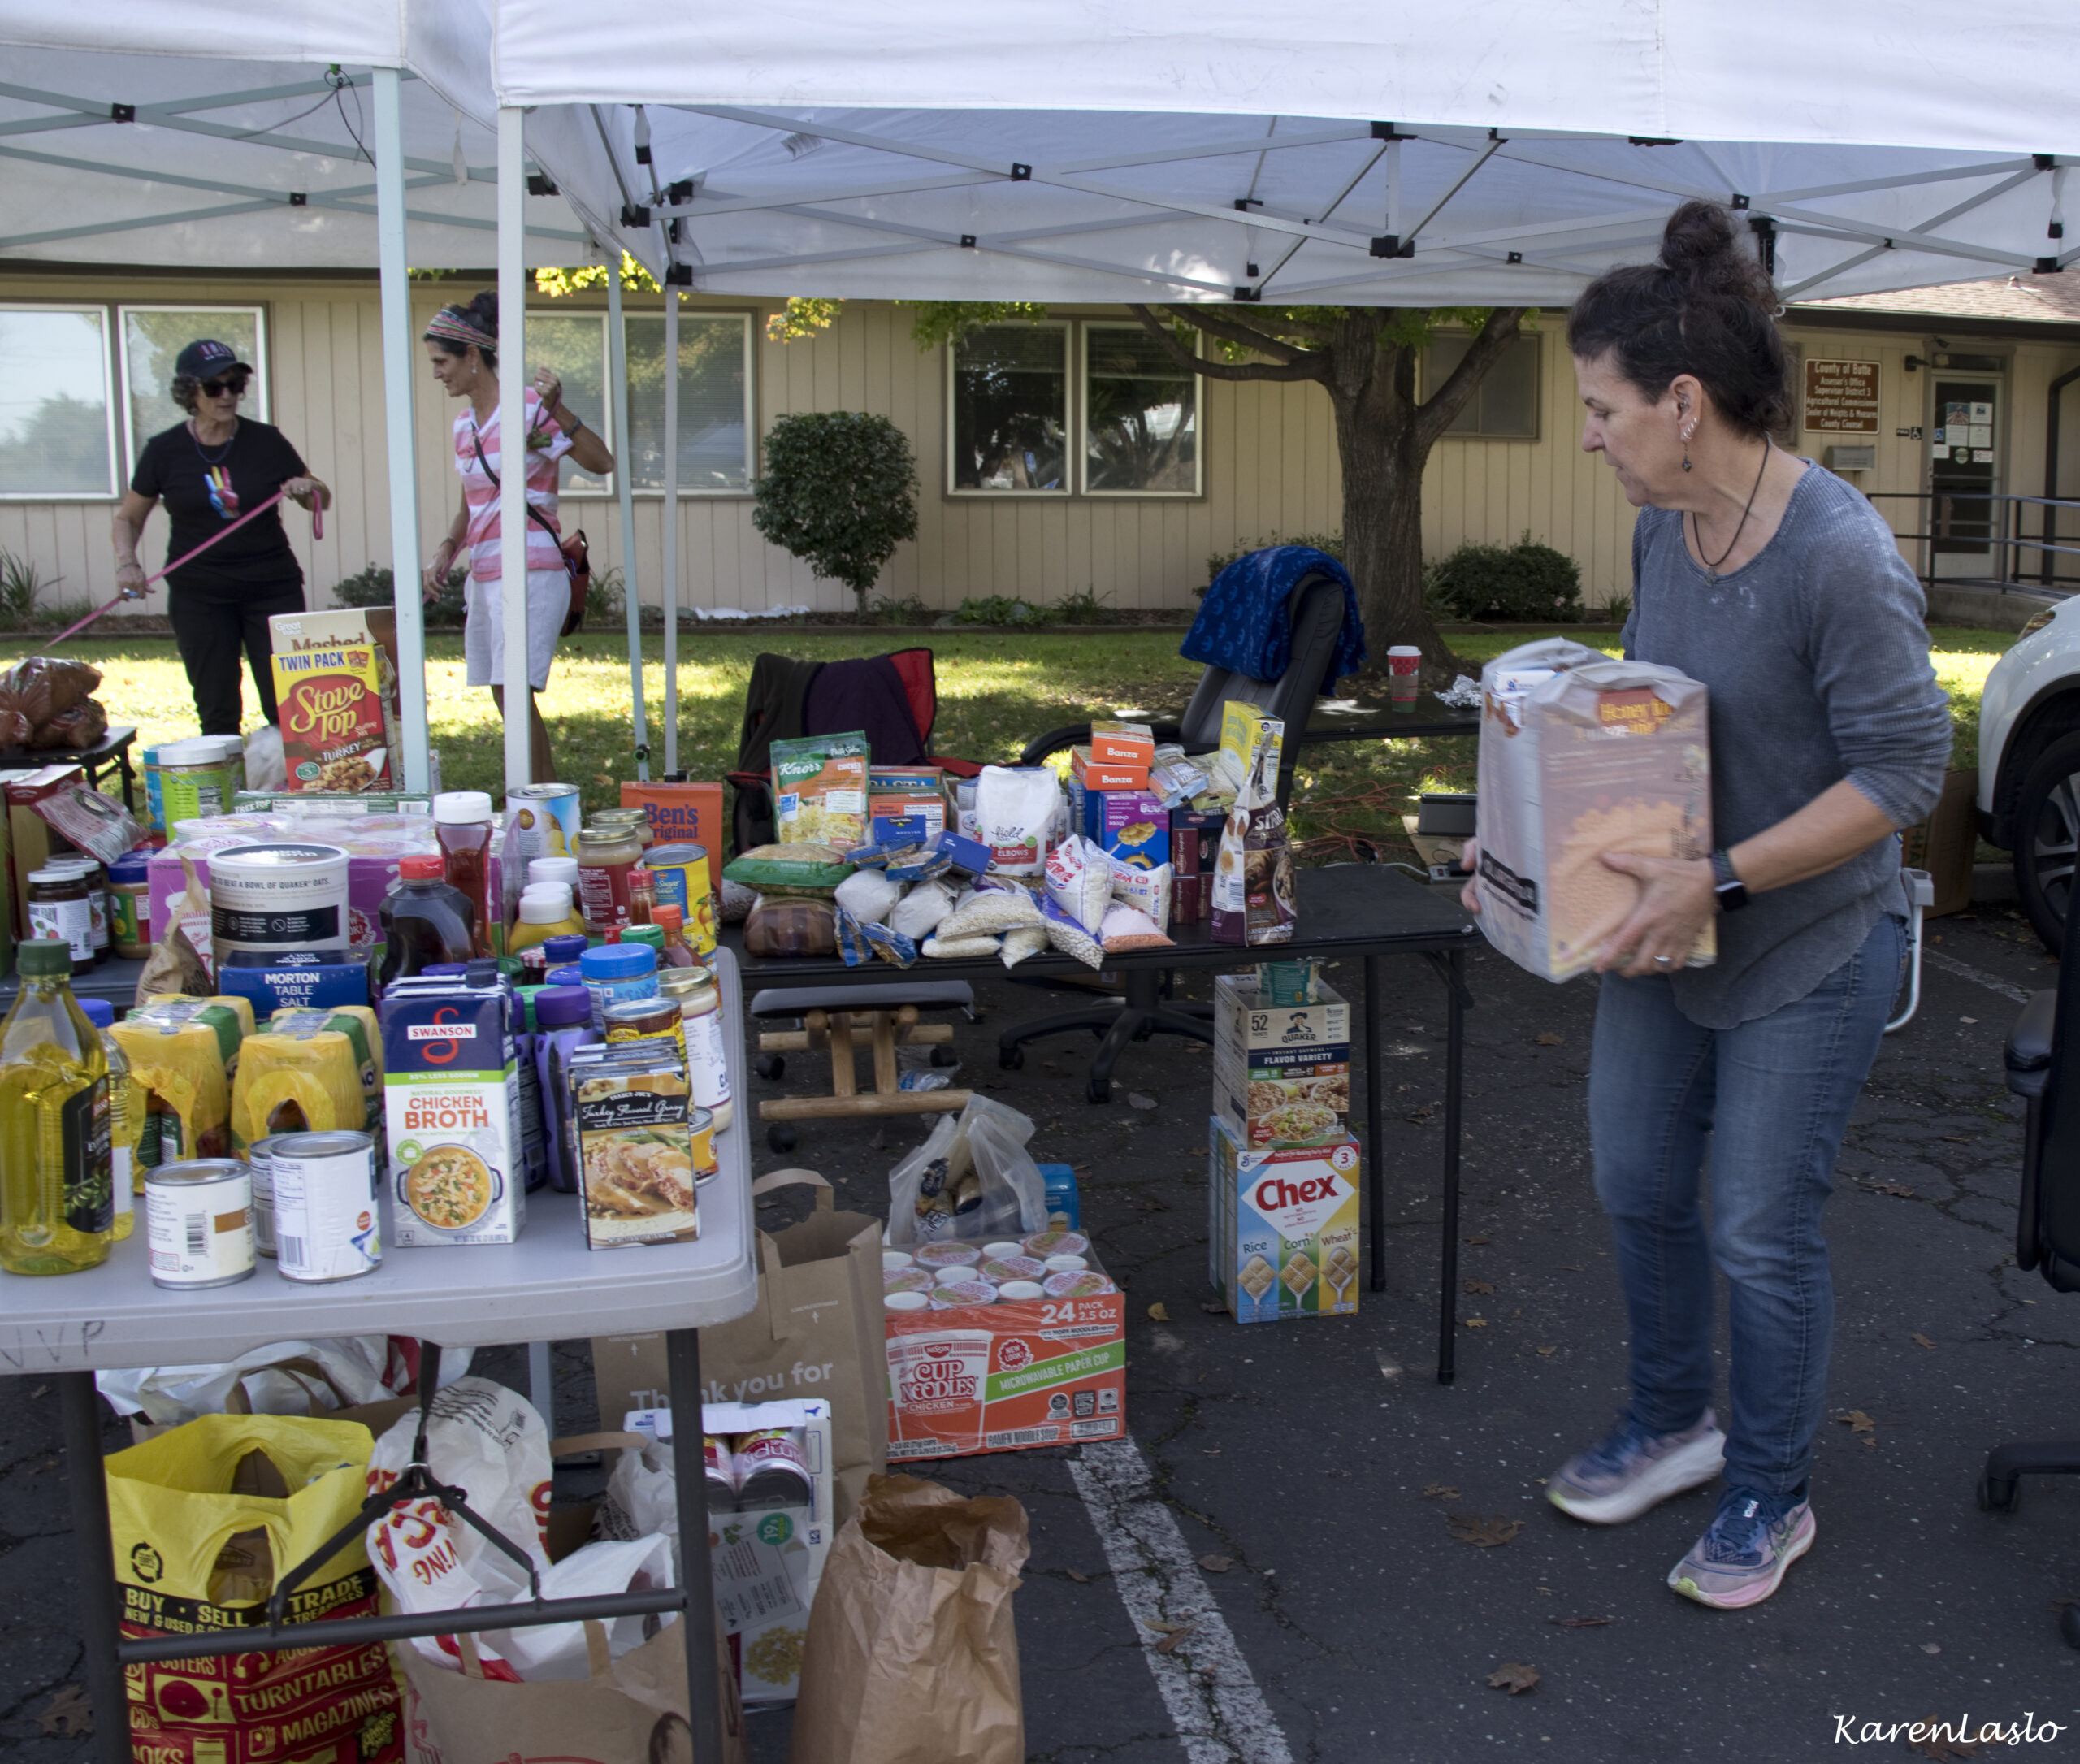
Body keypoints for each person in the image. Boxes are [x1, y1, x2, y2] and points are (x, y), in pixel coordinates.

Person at [1464, 202, 1952, 1609]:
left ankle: (1770, 1491)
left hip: (1808, 937)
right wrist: (1531, 831)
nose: (1588, 435)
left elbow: (1908, 771)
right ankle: (1677, 1421)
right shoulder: (1668, 530)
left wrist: (1722, 873)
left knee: (1755, 1221)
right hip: (1666, 923)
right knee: (1633, 1179)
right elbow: (1647, 720)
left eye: (1601, 408)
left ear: (1684, 403)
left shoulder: (1840, 558)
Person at [421, 291, 613, 782]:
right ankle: (545, 799)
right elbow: (472, 501)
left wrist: (560, 409)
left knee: (513, 689)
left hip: (531, 570)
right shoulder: (463, 425)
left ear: (472, 356)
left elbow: (601, 462)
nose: (436, 372)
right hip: (484, 573)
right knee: (505, 693)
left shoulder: (529, 409)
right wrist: (448, 547)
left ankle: (537, 800)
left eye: (442, 361)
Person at [111, 339, 330, 735]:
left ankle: (293, 790)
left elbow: (321, 499)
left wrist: (307, 487)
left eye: (235, 384)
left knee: (290, 706)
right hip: (200, 596)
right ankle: (225, 793)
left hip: (271, 588)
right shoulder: (164, 451)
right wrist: (128, 563)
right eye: (215, 386)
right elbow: (128, 518)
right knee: (217, 710)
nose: (227, 395)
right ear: (189, 392)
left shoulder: (266, 441)